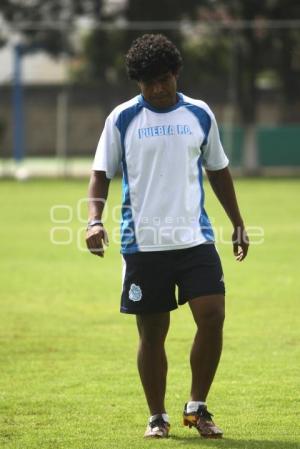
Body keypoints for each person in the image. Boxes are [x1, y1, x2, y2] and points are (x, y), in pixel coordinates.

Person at [86, 33, 249, 439]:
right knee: (152, 333)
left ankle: (197, 408)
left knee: (213, 316)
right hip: (144, 244)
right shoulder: (122, 118)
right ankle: (157, 416)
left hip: (195, 239)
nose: (158, 89)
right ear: (137, 83)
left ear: (176, 73)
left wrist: (238, 222)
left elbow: (218, 170)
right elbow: (100, 174)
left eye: (164, 79)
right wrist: (94, 220)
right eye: (148, 82)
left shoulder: (199, 113)